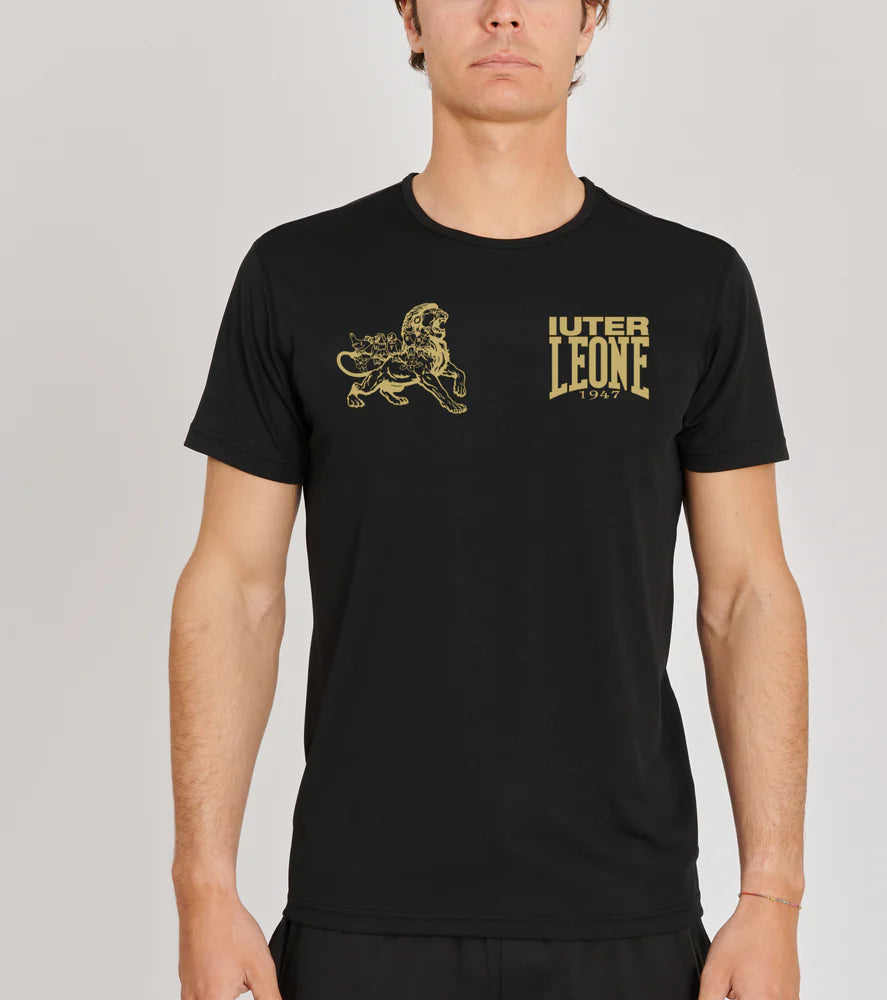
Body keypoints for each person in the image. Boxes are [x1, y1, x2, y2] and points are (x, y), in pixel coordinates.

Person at [169, 1, 809, 998]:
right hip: (363, 910)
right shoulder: (298, 278)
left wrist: (772, 895)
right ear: (411, 16)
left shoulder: (693, 285)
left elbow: (746, 595)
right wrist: (203, 885)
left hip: (624, 914)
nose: (503, 12)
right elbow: (235, 588)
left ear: (590, 20)